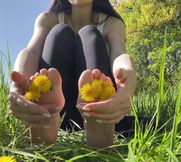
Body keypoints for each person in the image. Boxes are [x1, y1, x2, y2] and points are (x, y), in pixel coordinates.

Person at [8, 0, 137, 148]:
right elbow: (31, 51)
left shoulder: (112, 24)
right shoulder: (47, 19)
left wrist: (126, 81)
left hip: (99, 104)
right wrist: (18, 83)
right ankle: (47, 117)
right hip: (60, 108)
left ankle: (97, 119)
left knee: (90, 33)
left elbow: (120, 55)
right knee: (59, 32)